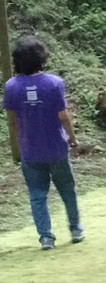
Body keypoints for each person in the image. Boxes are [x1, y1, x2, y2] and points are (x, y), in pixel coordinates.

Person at [4, 35, 83, 250]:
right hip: (56, 147)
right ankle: (75, 229)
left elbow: (12, 120)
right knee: (67, 189)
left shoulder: (11, 86)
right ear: (42, 58)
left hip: (30, 149)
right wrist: (72, 139)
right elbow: (63, 116)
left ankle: (46, 237)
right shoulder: (54, 83)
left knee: (37, 195)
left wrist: (19, 145)